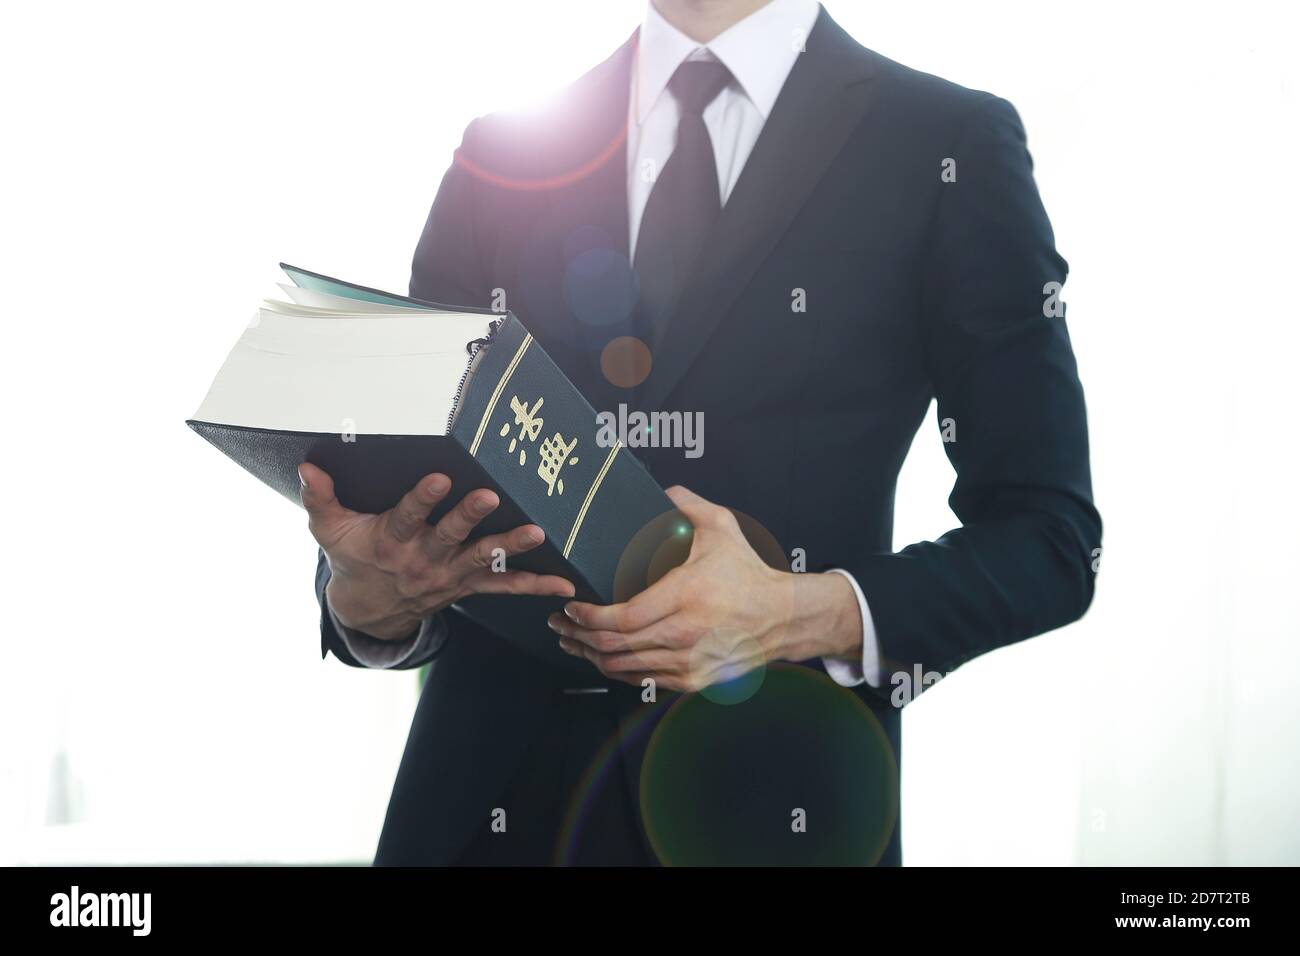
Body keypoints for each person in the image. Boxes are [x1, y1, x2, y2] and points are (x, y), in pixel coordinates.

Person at [299, 0, 1101, 865]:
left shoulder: (948, 143)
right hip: (480, 808)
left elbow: (1050, 540)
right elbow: (418, 496)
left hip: (772, 810)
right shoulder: (503, 153)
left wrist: (798, 612)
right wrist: (367, 598)